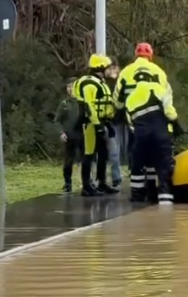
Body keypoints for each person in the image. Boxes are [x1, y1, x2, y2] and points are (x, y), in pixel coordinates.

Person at [114, 42, 178, 202]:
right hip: (160, 122)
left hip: (136, 120)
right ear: (150, 56)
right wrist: (175, 123)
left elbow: (117, 97)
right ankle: (155, 191)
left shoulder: (126, 72)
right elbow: (168, 99)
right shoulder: (159, 72)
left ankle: (137, 194)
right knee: (157, 158)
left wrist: (120, 111)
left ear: (136, 55)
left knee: (137, 157)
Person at [73, 54, 119, 197]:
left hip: (101, 122)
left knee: (103, 154)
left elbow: (106, 104)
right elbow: (89, 106)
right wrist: (97, 125)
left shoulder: (100, 82)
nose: (109, 70)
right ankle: (86, 186)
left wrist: (108, 122)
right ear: (100, 68)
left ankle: (102, 183)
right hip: (90, 124)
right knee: (89, 154)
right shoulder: (88, 83)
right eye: (107, 67)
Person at [54, 77, 84, 192]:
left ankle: (86, 182)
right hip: (69, 136)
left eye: (73, 86)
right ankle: (67, 184)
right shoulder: (64, 104)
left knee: (84, 160)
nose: (70, 89)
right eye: (68, 86)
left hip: (82, 135)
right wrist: (61, 132)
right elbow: (57, 121)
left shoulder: (83, 103)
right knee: (68, 161)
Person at [105, 59, 124, 188]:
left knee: (123, 150)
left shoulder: (121, 83)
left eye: (115, 68)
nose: (113, 71)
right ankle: (116, 178)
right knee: (114, 151)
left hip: (123, 122)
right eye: (110, 68)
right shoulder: (104, 85)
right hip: (109, 122)